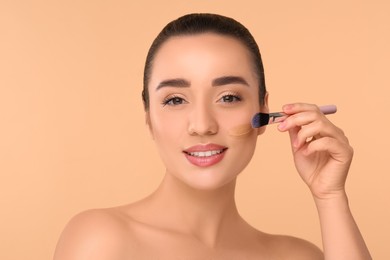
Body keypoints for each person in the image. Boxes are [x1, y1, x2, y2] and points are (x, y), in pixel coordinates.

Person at [53, 13, 371, 259]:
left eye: (228, 97)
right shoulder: (102, 241)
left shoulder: (298, 256)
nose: (202, 125)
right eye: (175, 100)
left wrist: (330, 198)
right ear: (148, 116)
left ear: (263, 110)